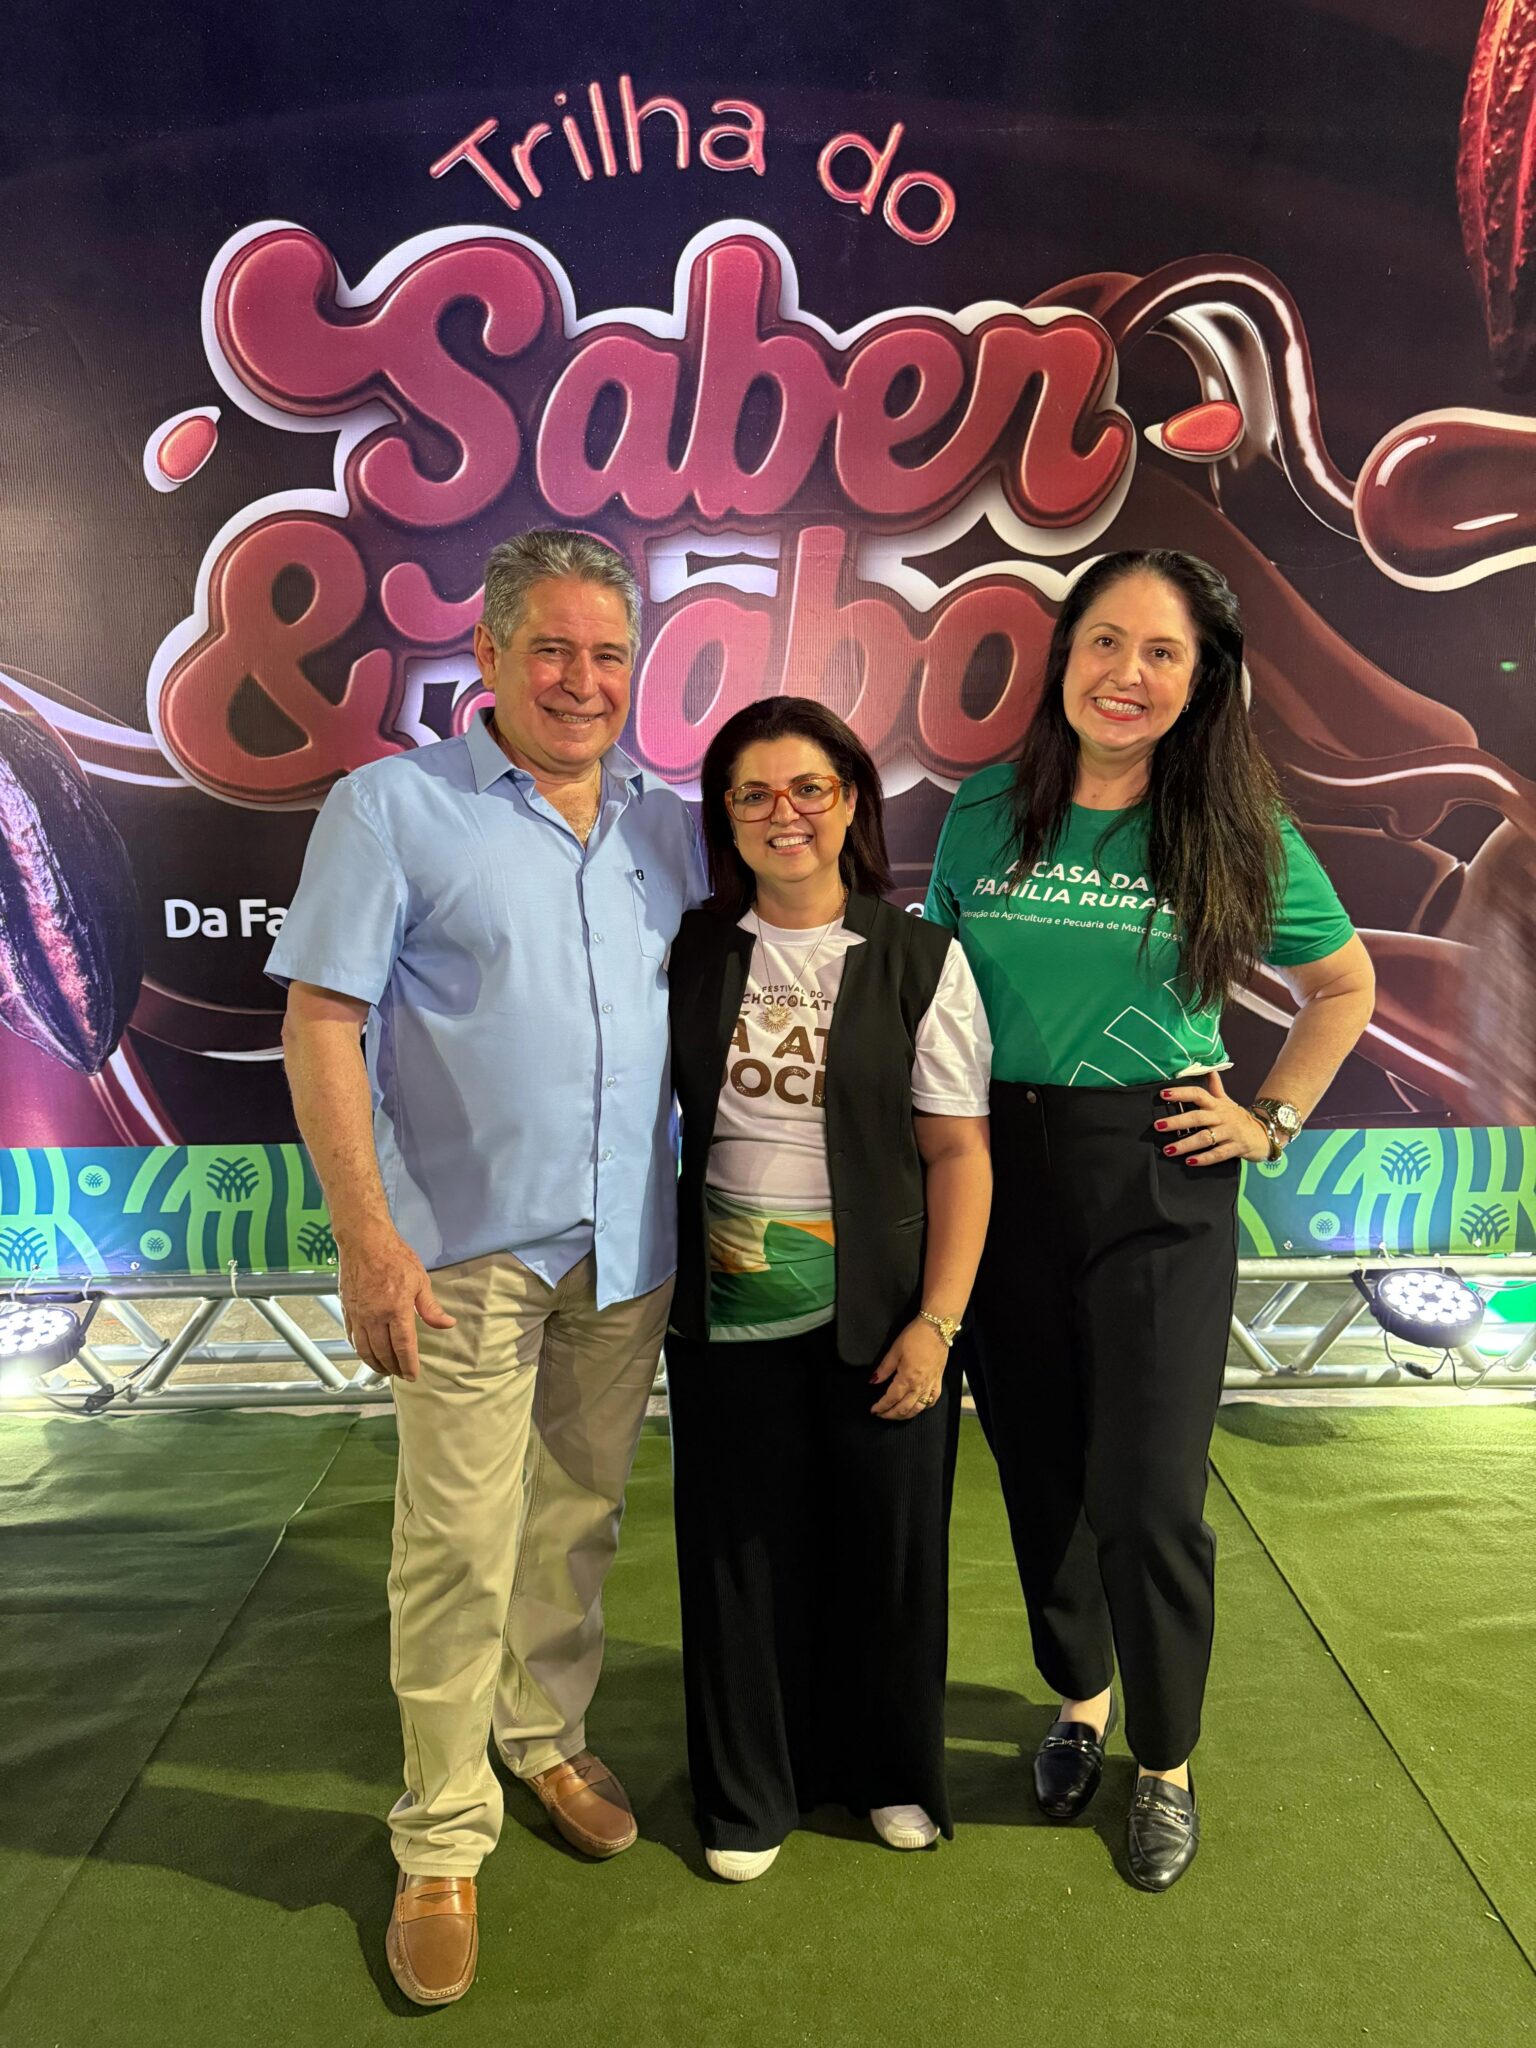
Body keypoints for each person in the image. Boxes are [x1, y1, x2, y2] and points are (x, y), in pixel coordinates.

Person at [268, 529, 704, 2005]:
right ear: (492, 655)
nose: (583, 681)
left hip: (628, 1247)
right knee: (457, 1540)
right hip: (460, 1255)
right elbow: (322, 1022)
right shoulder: (393, 807)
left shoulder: (668, 823)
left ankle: (543, 1737)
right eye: (553, 650)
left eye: (608, 654)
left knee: (576, 1518)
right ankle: (442, 1834)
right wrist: (367, 1238)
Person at [925, 549, 1375, 1890]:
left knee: (1149, 1493)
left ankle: (1166, 1758)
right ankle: (1081, 1700)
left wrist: (1271, 1118)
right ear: (1065, 656)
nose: (1127, 674)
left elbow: (1343, 985)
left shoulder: (1234, 827)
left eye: (1162, 652)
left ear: (1203, 679)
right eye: (1105, 643)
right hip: (999, 1172)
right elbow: (934, 990)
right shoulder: (983, 811)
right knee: (1041, 1469)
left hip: (1161, 1174)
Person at [665, 696, 993, 1882]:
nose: (783, 812)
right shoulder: (694, 948)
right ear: (725, 816)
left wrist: (938, 1323)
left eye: (809, 787)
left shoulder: (918, 958)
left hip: (884, 1309)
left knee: (888, 1549)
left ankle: (892, 1771)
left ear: (852, 799)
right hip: (725, 1306)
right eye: (752, 793)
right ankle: (748, 1790)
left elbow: (958, 1153)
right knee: (738, 1552)